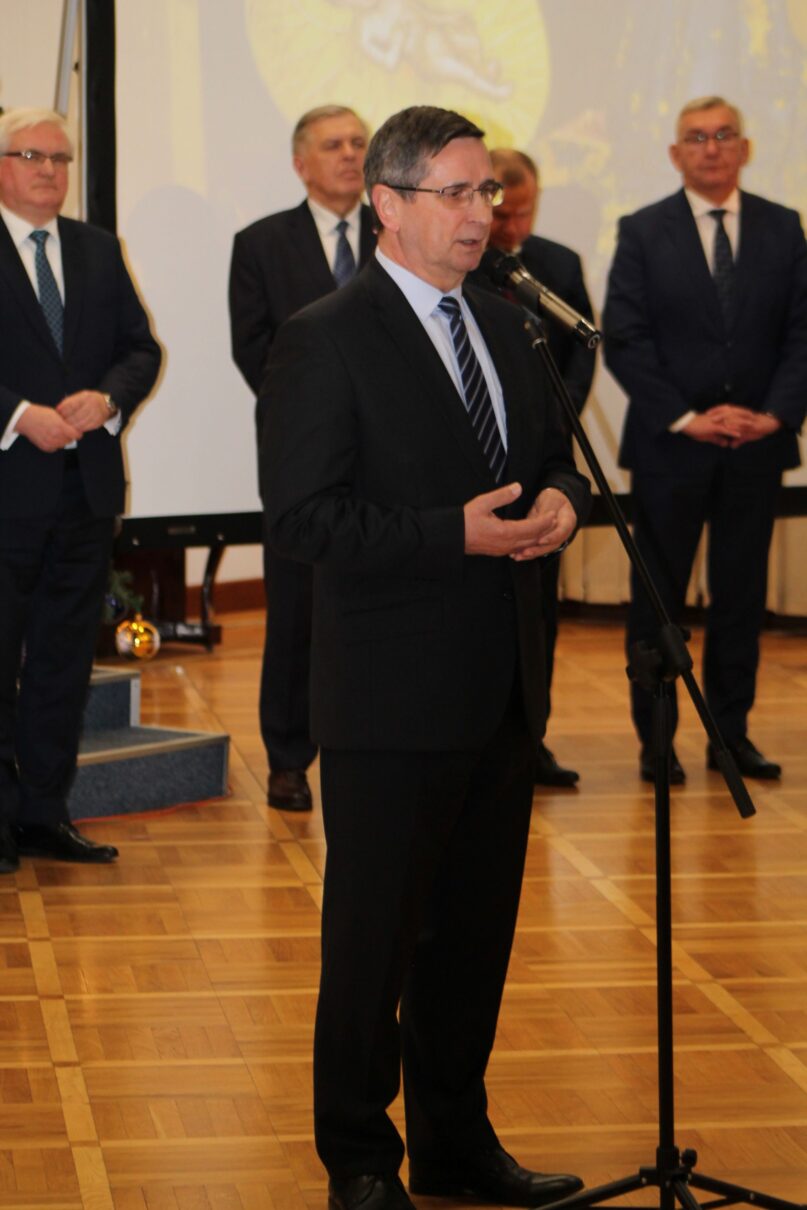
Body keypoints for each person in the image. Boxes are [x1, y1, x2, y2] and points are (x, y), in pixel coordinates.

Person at [261, 105, 590, 1210]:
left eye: (484, 190)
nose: (479, 213)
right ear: (389, 205)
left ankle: (455, 1143)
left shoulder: (507, 324)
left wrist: (563, 501)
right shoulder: (325, 335)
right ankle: (359, 1159)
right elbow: (302, 519)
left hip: (503, 688)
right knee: (373, 948)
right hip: (390, 699)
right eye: (454, 193)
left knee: (472, 943)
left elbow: (553, 458)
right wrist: (455, 534)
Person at [603, 96, 807, 784]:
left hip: (756, 446)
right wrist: (687, 417)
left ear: (744, 148)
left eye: (723, 135)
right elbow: (625, 337)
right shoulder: (641, 230)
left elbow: (802, 333)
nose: (711, 147)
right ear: (675, 154)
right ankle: (656, 744)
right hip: (671, 448)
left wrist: (775, 414)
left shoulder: (783, 226)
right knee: (656, 602)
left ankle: (730, 737)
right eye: (696, 137)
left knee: (740, 598)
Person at [0, 107, 161, 871]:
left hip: (85, 495)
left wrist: (108, 399)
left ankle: (43, 814)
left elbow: (141, 349)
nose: (49, 171)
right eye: (31, 155)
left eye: (60, 159)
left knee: (62, 666)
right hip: (6, 488)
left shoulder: (97, 248)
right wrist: (16, 415)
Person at [229, 104, 376, 812]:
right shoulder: (260, 243)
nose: (350, 155)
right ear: (300, 163)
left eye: (358, 143)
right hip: (299, 451)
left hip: (392, 448)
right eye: (333, 145)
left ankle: (376, 744)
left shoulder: (401, 233)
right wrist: (328, 411)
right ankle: (288, 758)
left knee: (384, 601)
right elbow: (252, 349)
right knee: (294, 609)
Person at [469, 148, 595, 787]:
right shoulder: (462, 266)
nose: (514, 227)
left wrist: (554, 414)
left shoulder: (557, 265)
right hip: (476, 463)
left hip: (541, 452)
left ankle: (532, 738)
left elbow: (581, 350)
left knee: (539, 614)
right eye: (504, 214)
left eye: (525, 212)